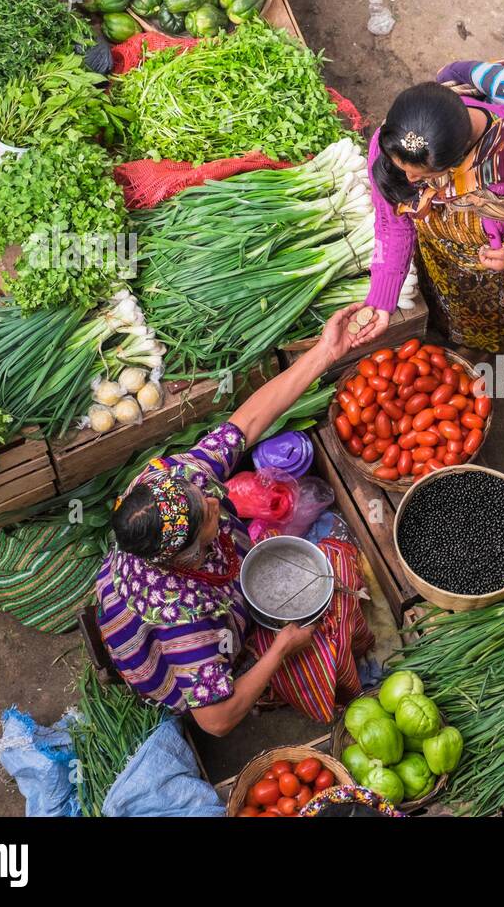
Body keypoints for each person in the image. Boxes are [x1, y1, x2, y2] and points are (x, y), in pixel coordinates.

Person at [97, 305, 374, 737]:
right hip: (174, 660)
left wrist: (326, 351)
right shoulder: (184, 621)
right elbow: (217, 721)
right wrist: (281, 649)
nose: (212, 497)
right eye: (207, 512)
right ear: (188, 556)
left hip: (200, 582)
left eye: (200, 493)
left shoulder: (172, 483)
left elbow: (247, 422)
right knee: (321, 644)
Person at [353, 81, 504, 354]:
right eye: (405, 170)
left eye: (424, 177)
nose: (410, 181)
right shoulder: (396, 144)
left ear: (459, 159)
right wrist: (381, 300)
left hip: (497, 267)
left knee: (497, 324)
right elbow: (392, 226)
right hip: (443, 256)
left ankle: (490, 348)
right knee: (448, 303)